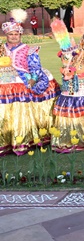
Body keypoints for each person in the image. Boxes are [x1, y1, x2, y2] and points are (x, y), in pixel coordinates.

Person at [0, 9, 60, 156]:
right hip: (4, 75)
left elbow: (35, 67)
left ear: (20, 35)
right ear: (6, 35)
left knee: (22, 88)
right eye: (10, 34)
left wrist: (32, 80)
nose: (13, 37)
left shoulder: (29, 49)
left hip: (24, 76)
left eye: (16, 34)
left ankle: (23, 135)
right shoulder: (2, 48)